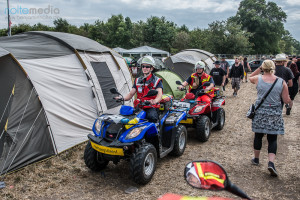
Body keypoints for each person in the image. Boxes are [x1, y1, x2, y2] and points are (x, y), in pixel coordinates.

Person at [249, 60, 291, 177]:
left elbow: (250, 77)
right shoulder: (281, 82)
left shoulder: (258, 78)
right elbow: (286, 100)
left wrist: (259, 69)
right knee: (272, 138)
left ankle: (256, 159)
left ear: (263, 67)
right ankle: (271, 163)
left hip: (260, 112)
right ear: (274, 67)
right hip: (274, 113)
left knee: (258, 135)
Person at [115, 56, 163, 123]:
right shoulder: (137, 80)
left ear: (152, 68)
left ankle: (155, 132)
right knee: (126, 117)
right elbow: (131, 94)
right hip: (139, 106)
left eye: (147, 66)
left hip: (151, 107)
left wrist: (154, 101)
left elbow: (159, 95)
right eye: (143, 66)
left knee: (152, 117)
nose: (144, 68)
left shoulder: (157, 80)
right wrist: (122, 98)